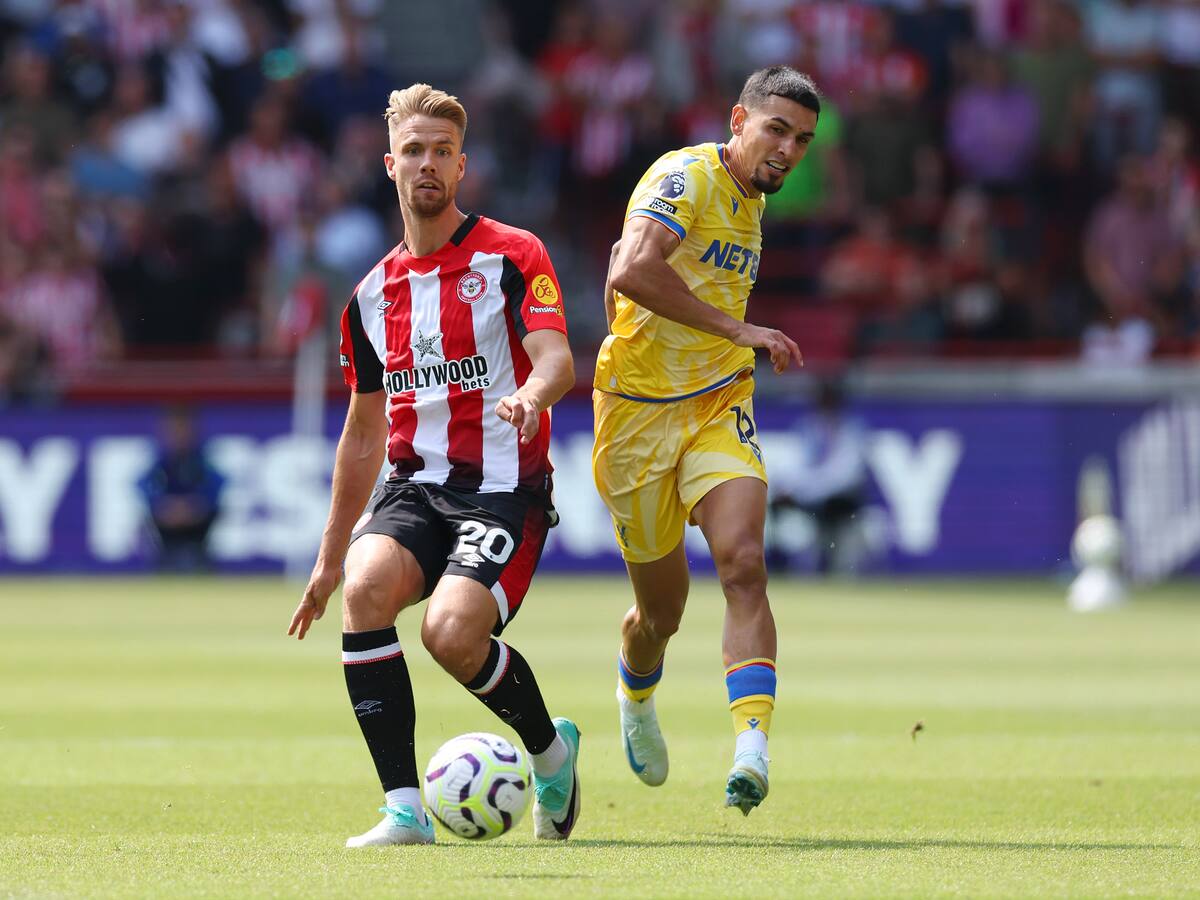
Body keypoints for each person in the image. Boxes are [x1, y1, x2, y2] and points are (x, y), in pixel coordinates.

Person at [286, 84, 580, 847]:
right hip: (414, 485)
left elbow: (556, 359)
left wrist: (531, 396)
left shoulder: (514, 254)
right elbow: (362, 434)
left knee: (450, 635)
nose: (427, 164)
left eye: (441, 152)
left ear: (461, 167)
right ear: (390, 165)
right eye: (413, 150)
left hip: (503, 491)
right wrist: (327, 561)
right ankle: (404, 811)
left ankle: (550, 754)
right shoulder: (369, 297)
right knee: (365, 589)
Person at [593, 65, 817, 815]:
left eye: (802, 140)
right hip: (635, 417)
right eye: (777, 130)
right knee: (660, 615)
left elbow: (628, 270)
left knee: (744, 564)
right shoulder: (685, 176)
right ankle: (635, 695)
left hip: (719, 401)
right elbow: (632, 268)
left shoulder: (754, 198)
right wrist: (738, 328)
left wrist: (730, 343)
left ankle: (752, 746)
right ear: (738, 121)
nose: (788, 150)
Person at [140, 406, 224, 572]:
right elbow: (146, 490)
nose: (178, 434)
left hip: (198, 535)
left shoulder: (202, 464)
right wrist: (167, 508)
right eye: (173, 429)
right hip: (166, 537)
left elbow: (214, 490)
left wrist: (191, 508)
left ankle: (199, 559)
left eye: (182, 428)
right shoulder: (161, 465)